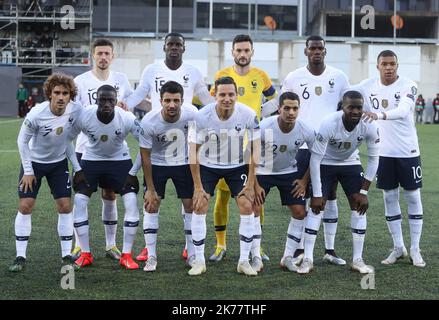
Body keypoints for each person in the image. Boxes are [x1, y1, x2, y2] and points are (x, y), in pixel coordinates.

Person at [124, 32, 214, 262]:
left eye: (178, 44)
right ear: (164, 47)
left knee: (189, 202)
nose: (174, 48)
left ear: (184, 48)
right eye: (170, 44)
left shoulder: (193, 72)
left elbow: (205, 99)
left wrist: (223, 112)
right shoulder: (151, 70)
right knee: (151, 199)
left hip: (184, 140)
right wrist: (123, 106)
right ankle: (149, 249)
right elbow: (138, 94)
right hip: (156, 135)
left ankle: (189, 248)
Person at [270, 35, 350, 266]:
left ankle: (330, 250)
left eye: (320, 48)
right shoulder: (294, 77)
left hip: (329, 148)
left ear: (325, 52)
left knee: (329, 196)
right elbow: (281, 106)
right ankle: (298, 250)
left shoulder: (339, 76)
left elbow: (347, 106)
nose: (316, 51)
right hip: (302, 147)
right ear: (306, 51)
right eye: (312, 48)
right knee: (301, 197)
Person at [209, 34, 277, 263]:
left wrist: (259, 117)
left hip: (253, 146)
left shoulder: (262, 76)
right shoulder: (222, 76)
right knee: (223, 195)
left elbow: (274, 101)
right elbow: (213, 104)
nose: (242, 54)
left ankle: (257, 246)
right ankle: (220, 245)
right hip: (226, 145)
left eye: (246, 50)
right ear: (232, 52)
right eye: (239, 50)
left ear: (252, 52)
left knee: (256, 194)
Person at [297, 90, 380, 274]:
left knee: (358, 205)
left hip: (350, 163)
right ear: (343, 107)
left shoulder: (370, 126)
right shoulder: (329, 123)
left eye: (359, 107)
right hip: (325, 162)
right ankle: (308, 259)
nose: (356, 111)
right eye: (351, 107)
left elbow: (374, 159)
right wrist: (317, 194)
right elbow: (315, 159)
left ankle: (357, 259)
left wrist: (364, 192)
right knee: (317, 207)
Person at [9, 73, 83, 272]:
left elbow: (68, 140)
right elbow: (22, 141)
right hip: (33, 163)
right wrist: (28, 170)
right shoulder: (36, 113)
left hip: (58, 164)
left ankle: (66, 255)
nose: (61, 97)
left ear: (70, 95)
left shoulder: (76, 111)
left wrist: (77, 168)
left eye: (65, 93)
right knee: (26, 205)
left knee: (65, 205)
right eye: (56, 93)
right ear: (49, 94)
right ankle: (20, 256)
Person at [188, 76, 260, 276]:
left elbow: (255, 149)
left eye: (231, 94)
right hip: (208, 165)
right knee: (200, 203)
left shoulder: (248, 114)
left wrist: (251, 183)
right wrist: (197, 186)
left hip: (237, 166)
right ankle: (199, 261)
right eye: (222, 94)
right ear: (214, 95)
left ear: (236, 95)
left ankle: (244, 261)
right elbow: (192, 151)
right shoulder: (201, 116)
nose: (227, 98)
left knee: (246, 204)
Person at [360, 50, 426, 268]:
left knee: (413, 197)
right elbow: (344, 93)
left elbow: (403, 110)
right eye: (384, 64)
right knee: (389, 197)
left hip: (408, 152)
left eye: (392, 64)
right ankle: (398, 247)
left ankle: (415, 248)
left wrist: (380, 115)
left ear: (397, 66)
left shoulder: (409, 84)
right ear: (377, 66)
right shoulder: (368, 86)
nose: (389, 68)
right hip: (383, 153)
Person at [71, 38, 134, 261]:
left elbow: (128, 106)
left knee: (110, 195)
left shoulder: (122, 80)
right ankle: (80, 246)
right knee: (81, 195)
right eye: (100, 54)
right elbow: (75, 112)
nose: (103, 57)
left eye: (107, 53)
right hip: (84, 147)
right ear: (93, 56)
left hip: (112, 149)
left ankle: (111, 245)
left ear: (112, 56)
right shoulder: (80, 81)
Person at [70, 85, 142, 270]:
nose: (107, 104)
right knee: (79, 201)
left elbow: (146, 142)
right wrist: (77, 169)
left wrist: (133, 172)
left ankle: (126, 255)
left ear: (116, 100)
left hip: (119, 160)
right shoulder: (85, 115)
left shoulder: (125, 117)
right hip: (91, 159)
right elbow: (66, 141)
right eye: (103, 99)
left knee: (132, 202)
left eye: (111, 100)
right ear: (96, 99)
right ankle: (85, 253)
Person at [139, 81, 198, 272]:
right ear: (160, 100)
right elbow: (145, 156)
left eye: (176, 100)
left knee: (190, 205)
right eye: (167, 100)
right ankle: (151, 256)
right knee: (151, 204)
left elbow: (197, 145)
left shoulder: (192, 115)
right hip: (157, 163)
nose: (172, 104)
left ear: (182, 100)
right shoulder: (149, 121)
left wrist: (198, 182)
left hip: (183, 163)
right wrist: (150, 188)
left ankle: (191, 254)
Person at [254, 92, 314, 272]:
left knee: (299, 212)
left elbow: (316, 157)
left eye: (295, 108)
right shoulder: (264, 127)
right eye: (287, 108)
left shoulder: (306, 129)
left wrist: (304, 181)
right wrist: (254, 184)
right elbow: (249, 154)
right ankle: (256, 256)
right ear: (279, 109)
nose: (291, 112)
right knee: (253, 209)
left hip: (289, 172)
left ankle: (287, 257)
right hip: (262, 171)